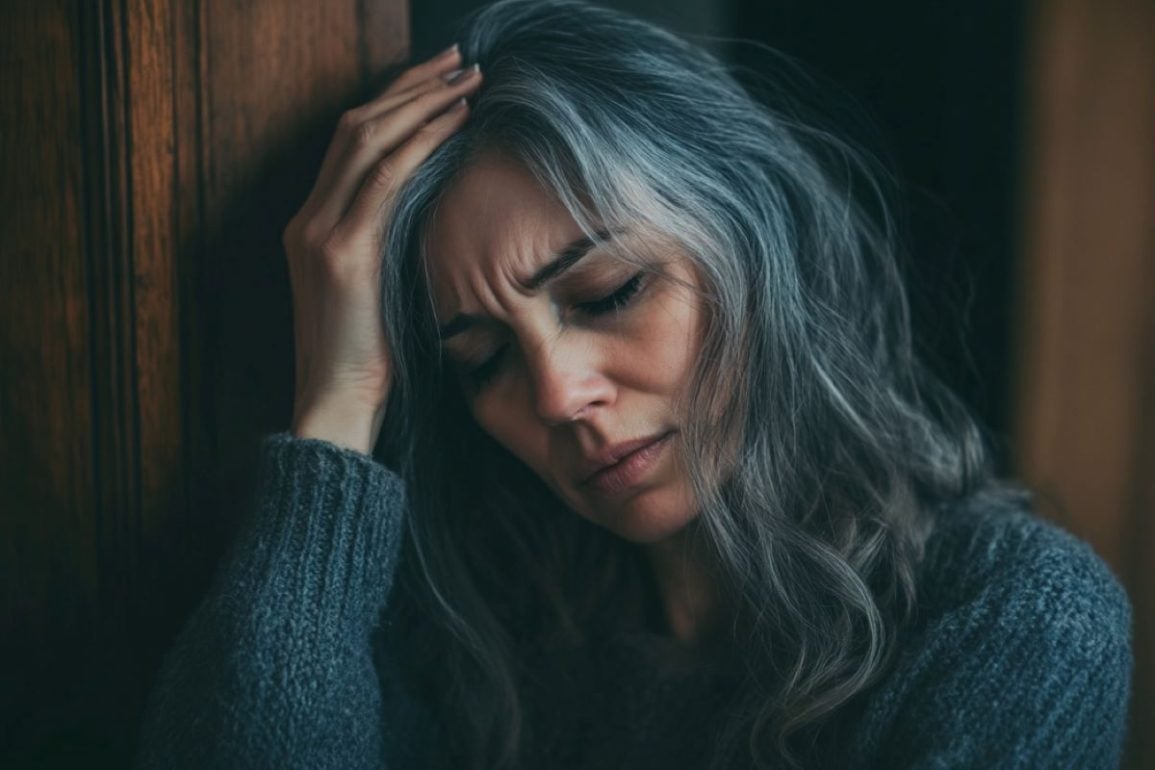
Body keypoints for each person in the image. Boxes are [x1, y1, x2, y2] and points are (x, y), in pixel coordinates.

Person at [135, 0, 1133, 768]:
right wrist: (336, 404)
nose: (561, 393)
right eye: (481, 360)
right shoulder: (463, 631)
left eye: (610, 292)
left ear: (753, 243)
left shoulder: (1015, 613)